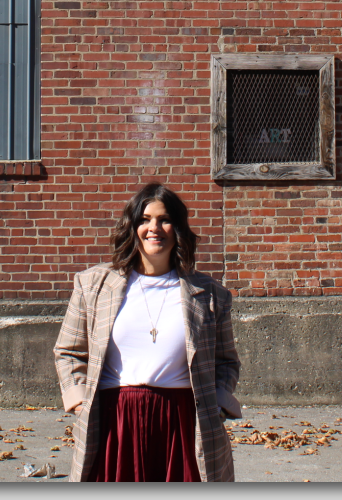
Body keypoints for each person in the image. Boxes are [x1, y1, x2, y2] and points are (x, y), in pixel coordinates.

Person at [53, 184, 242, 481]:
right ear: (132, 226)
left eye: (164, 219)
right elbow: (68, 351)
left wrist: (216, 407)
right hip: (115, 423)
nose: (154, 228)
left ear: (177, 227)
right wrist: (79, 402)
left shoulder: (209, 294)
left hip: (182, 423)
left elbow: (226, 362)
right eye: (144, 219)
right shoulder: (94, 286)